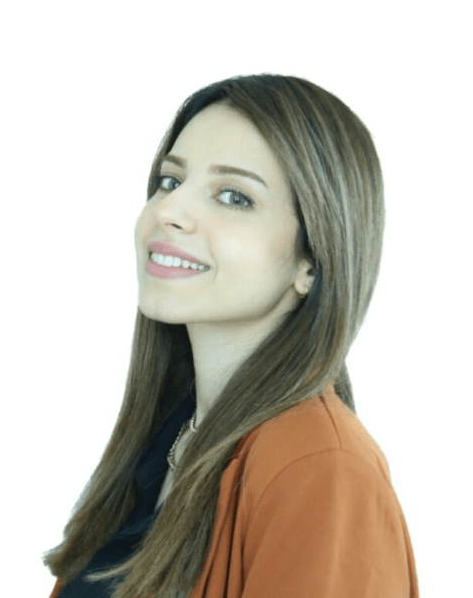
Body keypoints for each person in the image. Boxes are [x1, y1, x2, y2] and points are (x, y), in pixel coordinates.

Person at [43, 73, 419, 598]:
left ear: (311, 262)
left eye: (233, 197)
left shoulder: (320, 467)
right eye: (170, 181)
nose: (167, 211)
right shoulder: (167, 438)